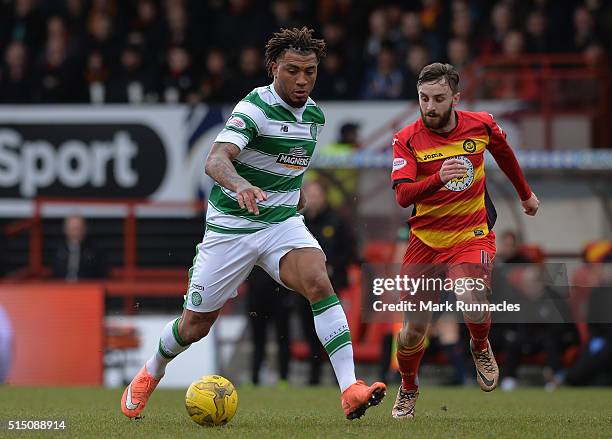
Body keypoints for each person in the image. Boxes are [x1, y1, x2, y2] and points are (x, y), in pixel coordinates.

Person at [120, 27, 386, 421]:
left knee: (318, 279)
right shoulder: (255, 108)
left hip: (280, 225)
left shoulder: (314, 116)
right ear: (273, 67)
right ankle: (150, 373)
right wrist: (241, 184)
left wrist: (291, 193)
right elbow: (214, 160)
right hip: (232, 228)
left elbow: (285, 166)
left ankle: (350, 388)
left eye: (310, 71)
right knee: (195, 326)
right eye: (293, 70)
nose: (301, 80)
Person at [390, 63, 539, 419]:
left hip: (470, 234)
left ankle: (480, 344)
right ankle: (408, 388)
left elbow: (505, 154)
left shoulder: (482, 124)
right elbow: (403, 196)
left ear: (456, 98)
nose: (430, 106)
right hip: (424, 241)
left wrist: (525, 194)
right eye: (424, 98)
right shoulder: (406, 138)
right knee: (413, 331)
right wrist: (439, 178)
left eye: (439, 99)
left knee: (471, 297)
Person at [246, 266, 291, 387]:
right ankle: (255, 378)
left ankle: (284, 378)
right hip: (257, 295)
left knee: (282, 338)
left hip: (279, 294)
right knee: (258, 340)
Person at [52, 215, 107, 281]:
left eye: (79, 229)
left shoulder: (95, 252)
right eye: (72, 229)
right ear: (65, 229)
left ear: (85, 229)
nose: (76, 233)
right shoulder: (58, 251)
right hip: (60, 289)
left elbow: (102, 276)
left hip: (88, 289)